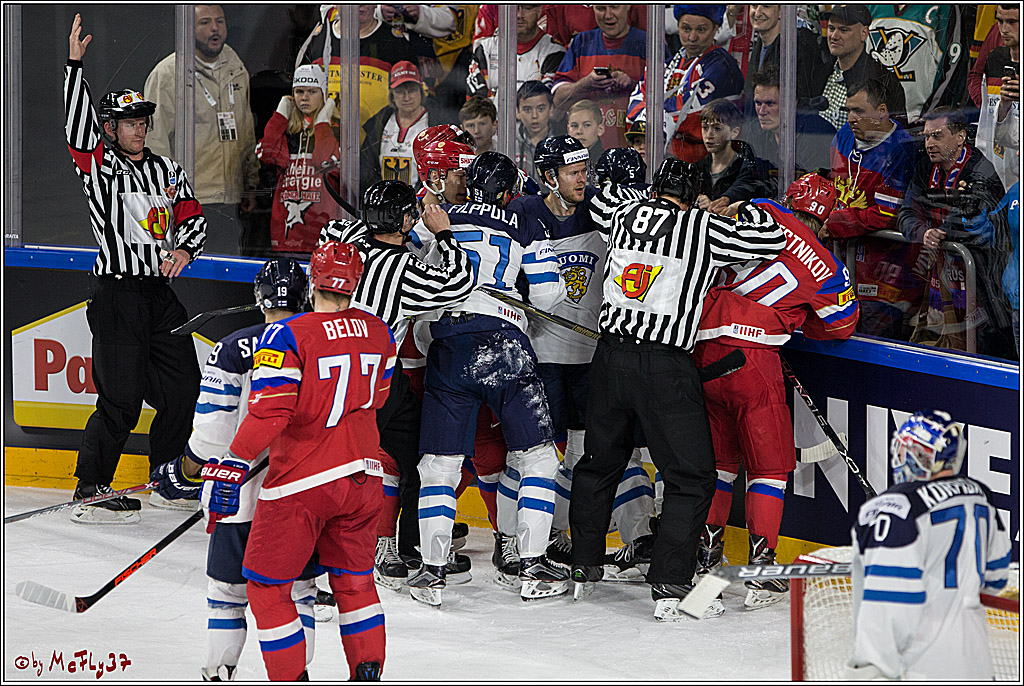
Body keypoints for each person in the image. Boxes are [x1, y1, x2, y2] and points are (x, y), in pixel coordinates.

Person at [569, 158, 785, 620]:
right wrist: (741, 208)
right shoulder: (701, 226)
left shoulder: (624, 214)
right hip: (664, 365)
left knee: (599, 462)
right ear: (695, 193)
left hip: (608, 359)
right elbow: (771, 239)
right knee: (692, 475)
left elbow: (602, 197)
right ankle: (669, 584)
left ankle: (584, 566)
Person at [202, 241, 394, 681]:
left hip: (303, 482)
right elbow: (379, 396)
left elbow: (272, 410)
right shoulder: (379, 331)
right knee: (355, 582)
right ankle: (367, 674)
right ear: (355, 283)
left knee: (268, 589)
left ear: (314, 281)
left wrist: (233, 460)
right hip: (365, 477)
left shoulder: (287, 334)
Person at [692, 174, 859, 612]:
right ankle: (762, 575)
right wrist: (796, 320)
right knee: (768, 468)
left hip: (704, 349)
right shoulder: (826, 264)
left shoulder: (759, 209)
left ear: (789, 199)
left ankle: (705, 555)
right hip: (755, 360)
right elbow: (841, 324)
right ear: (823, 222)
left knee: (721, 461)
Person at [408, 151, 569, 605]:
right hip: (505, 343)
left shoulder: (439, 215)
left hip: (449, 342)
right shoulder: (523, 222)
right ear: (508, 189)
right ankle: (531, 567)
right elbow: (548, 294)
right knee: (537, 459)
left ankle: (432, 572)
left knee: (438, 465)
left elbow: (407, 265)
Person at [65, 14, 206, 524]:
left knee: (183, 385)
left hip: (157, 294)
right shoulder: (100, 164)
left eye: (143, 122)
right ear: (110, 128)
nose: (138, 129)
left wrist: (186, 250)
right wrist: (74, 65)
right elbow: (76, 128)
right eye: (129, 123)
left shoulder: (167, 169)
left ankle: (168, 476)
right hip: (116, 294)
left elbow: (192, 218)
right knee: (120, 398)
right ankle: (91, 487)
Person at [150, 258, 319, 681]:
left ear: (259, 299)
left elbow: (211, 434)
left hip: (240, 497)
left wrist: (183, 472)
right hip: (305, 496)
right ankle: (296, 675)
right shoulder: (322, 344)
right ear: (306, 297)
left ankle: (218, 672)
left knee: (227, 593)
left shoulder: (231, 348)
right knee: (298, 591)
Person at [318, 179, 477, 588]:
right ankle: (369, 546)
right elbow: (459, 283)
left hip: (345, 375)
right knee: (375, 464)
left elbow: (331, 233)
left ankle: (407, 546)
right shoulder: (402, 268)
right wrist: (443, 233)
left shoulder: (349, 242)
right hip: (371, 382)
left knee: (406, 458)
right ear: (406, 220)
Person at [845, 410, 1012, 680]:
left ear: (920, 456)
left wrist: (869, 670)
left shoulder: (893, 508)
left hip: (921, 669)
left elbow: (889, 607)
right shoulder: (982, 495)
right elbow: (996, 578)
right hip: (976, 665)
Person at [897, 108, 1013, 358]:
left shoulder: (981, 170)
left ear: (960, 137)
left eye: (937, 136)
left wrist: (945, 232)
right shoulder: (923, 168)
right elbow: (906, 213)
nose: (929, 143)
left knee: (986, 354)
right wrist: (923, 232)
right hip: (941, 286)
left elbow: (987, 229)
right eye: (927, 137)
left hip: (984, 289)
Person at [145, 4, 258, 256]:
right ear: (188, 28)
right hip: (189, 200)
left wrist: (250, 184)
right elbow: (155, 141)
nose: (214, 29)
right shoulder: (168, 74)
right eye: (204, 23)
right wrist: (164, 198)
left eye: (219, 21)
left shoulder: (236, 67)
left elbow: (245, 130)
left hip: (229, 198)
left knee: (226, 273)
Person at [820, 78, 920, 341]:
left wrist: (833, 223)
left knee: (873, 342)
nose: (851, 118)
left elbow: (885, 215)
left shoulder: (902, 148)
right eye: (849, 110)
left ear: (882, 111)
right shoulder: (843, 136)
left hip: (885, 273)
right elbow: (833, 187)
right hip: (842, 262)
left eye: (859, 111)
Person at [626, 5, 744, 164]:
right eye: (686, 29)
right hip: (666, 160)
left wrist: (653, 111)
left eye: (701, 30)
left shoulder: (721, 66)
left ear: (715, 29)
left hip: (707, 164)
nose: (692, 37)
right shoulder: (668, 64)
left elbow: (688, 115)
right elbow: (633, 108)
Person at [257, 64, 340, 255]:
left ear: (324, 93)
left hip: (321, 229)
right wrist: (280, 114)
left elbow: (323, 160)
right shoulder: (287, 130)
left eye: (312, 91)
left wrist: (322, 123)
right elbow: (267, 154)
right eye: (299, 91)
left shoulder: (336, 128)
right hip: (286, 229)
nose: (304, 97)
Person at [551, 5, 660, 150]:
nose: (608, 15)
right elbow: (558, 99)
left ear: (628, 6)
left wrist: (634, 86)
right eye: (601, 8)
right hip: (587, 155)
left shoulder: (649, 43)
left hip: (635, 153)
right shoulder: (581, 42)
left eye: (614, 7)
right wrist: (585, 84)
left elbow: (664, 99)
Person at [744, 66, 835, 197]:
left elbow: (813, 189)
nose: (762, 112)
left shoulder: (816, 133)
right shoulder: (755, 130)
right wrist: (728, 197)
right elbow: (748, 177)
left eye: (770, 104)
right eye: (758, 103)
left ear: (792, 103)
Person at [816, 5, 907, 131]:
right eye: (831, 28)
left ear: (864, 33)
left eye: (843, 30)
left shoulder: (881, 80)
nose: (834, 36)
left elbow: (894, 137)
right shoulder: (821, 70)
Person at [360, 61, 441, 194]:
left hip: (422, 201)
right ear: (392, 95)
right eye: (400, 92)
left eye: (412, 91)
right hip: (385, 201)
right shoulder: (379, 123)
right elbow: (367, 166)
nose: (406, 97)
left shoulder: (436, 124)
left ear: (421, 91)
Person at [741, 4, 828, 119]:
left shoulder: (797, 46)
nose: (757, 13)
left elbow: (804, 103)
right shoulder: (759, 45)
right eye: (754, 6)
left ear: (782, 11)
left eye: (766, 6)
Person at [466, 4, 565, 99]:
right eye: (513, 8)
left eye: (527, 8)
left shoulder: (554, 52)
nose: (519, 15)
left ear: (539, 11)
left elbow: (544, 106)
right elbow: (475, 104)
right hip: (491, 115)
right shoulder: (485, 49)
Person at [977, 5, 1020, 189]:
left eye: (1012, 22)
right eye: (1000, 21)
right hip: (996, 176)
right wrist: (1005, 107)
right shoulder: (994, 59)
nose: (1004, 29)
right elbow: (986, 123)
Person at [694, 99, 759, 214]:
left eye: (717, 129)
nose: (709, 135)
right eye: (705, 128)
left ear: (734, 133)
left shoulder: (745, 168)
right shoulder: (697, 168)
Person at [514, 81, 563, 184]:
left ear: (551, 110)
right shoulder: (510, 144)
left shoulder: (563, 143)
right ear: (518, 112)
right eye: (527, 110)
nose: (534, 116)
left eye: (541, 109)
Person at [566, 100, 605, 176]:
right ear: (568, 130)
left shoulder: (607, 163)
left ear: (600, 129)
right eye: (574, 126)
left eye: (587, 125)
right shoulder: (561, 164)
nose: (579, 131)